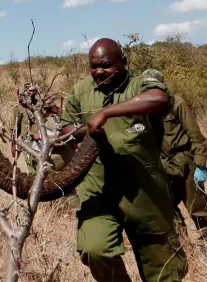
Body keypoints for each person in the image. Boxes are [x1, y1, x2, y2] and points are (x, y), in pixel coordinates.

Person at [59, 39, 187, 282]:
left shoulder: (139, 84)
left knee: (163, 270)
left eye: (105, 66)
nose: (99, 72)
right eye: (93, 66)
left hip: (144, 191)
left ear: (124, 63)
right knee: (95, 249)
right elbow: (66, 130)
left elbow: (159, 98)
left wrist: (106, 113)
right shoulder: (80, 90)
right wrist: (87, 132)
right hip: (98, 189)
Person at [141, 68, 207, 238]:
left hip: (185, 161)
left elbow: (197, 137)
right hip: (161, 164)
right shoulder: (140, 107)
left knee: (198, 209)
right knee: (166, 208)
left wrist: (200, 166)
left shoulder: (177, 104)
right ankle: (183, 246)